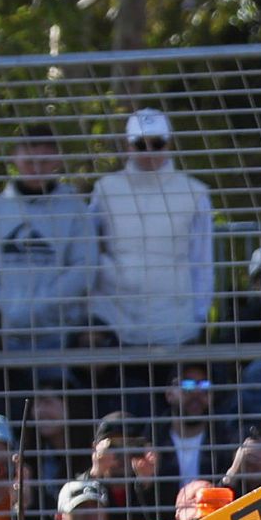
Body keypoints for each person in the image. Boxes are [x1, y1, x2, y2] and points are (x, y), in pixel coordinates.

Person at [91, 107, 217, 378]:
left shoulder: (195, 192)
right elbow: (88, 248)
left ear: (169, 142)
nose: (148, 151)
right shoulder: (104, 190)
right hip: (117, 320)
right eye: (140, 144)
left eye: (156, 143)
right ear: (128, 145)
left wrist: (198, 316)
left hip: (176, 324)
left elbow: (202, 260)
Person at [0, 125, 100, 362]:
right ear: (14, 157)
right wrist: (5, 308)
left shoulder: (75, 207)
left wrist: (38, 308)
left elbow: (84, 269)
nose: (36, 167)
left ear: (57, 159)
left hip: (60, 335)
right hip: (1, 337)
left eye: (44, 160)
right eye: (29, 159)